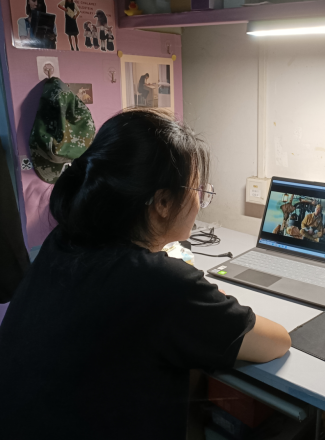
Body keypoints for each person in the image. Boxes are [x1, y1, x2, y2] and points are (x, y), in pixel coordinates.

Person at [0, 108, 291, 440]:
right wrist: (206, 300)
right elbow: (276, 341)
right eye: (197, 190)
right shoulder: (161, 283)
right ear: (163, 203)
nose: (199, 202)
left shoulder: (63, 243)